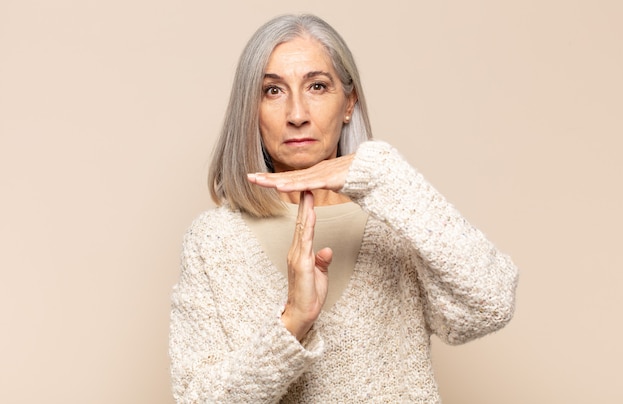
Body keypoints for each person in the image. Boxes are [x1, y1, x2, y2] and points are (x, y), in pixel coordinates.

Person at [169, 13, 519, 403]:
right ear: (250, 109)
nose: (297, 114)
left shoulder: (395, 218)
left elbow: (491, 303)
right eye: (273, 91)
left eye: (317, 86)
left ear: (349, 103)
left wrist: (384, 175)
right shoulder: (213, 242)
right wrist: (293, 322)